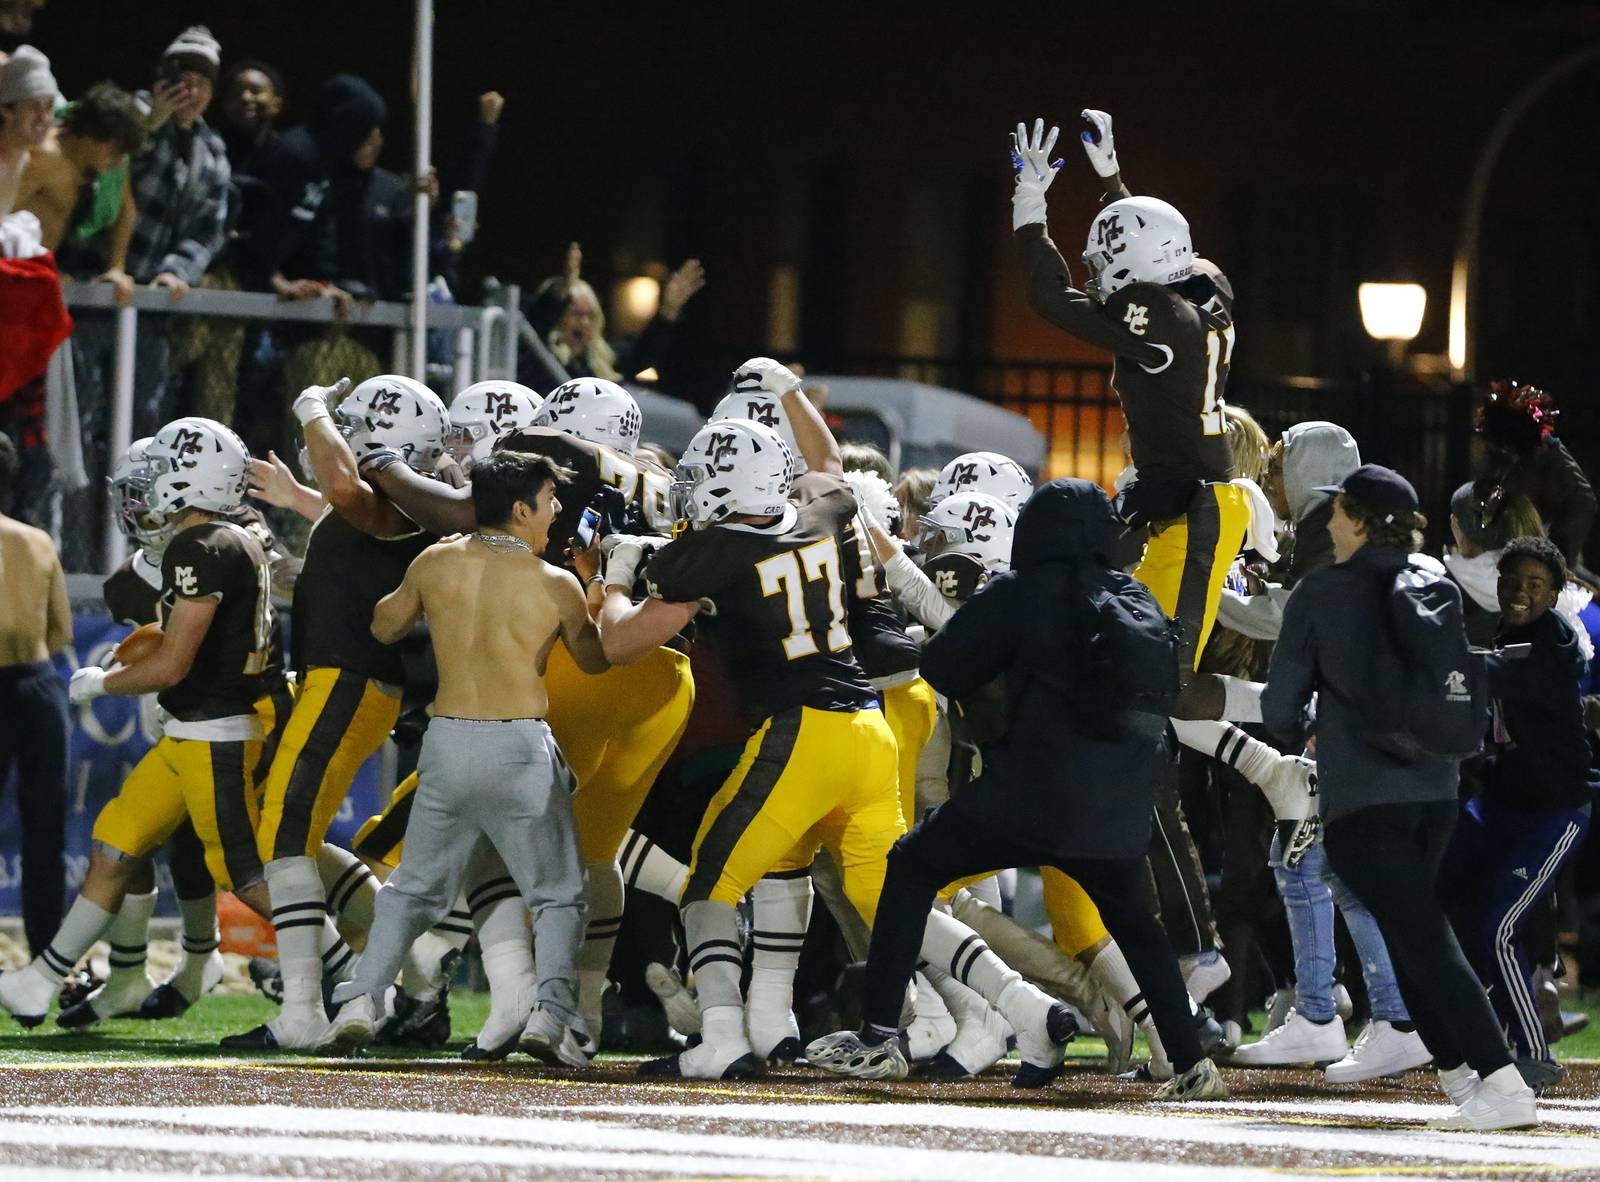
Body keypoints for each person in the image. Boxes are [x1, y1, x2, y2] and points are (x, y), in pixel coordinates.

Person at [809, 477, 1228, 1102]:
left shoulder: (1022, 592)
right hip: (1118, 799)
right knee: (1137, 926)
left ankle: (877, 1037)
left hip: (1030, 789)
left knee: (910, 866)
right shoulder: (1133, 596)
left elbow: (943, 666)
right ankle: (1192, 1063)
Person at [1262, 463, 1539, 1130]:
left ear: (1358, 520)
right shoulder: (1432, 580)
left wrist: (1317, 725)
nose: (1328, 520)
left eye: (1337, 510)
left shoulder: (1320, 592)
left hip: (1363, 799)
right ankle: (1461, 1080)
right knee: (1408, 931)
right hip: (1436, 791)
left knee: (1423, 937)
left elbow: (1278, 711)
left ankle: (1502, 1081)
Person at [327, 451, 606, 1062]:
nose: (556, 511)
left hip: (448, 742)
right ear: (519, 509)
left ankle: (360, 1001)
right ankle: (550, 1016)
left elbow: (384, 625)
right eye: (548, 500)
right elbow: (595, 659)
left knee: (410, 892)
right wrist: (598, 585)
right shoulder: (555, 582)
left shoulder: (436, 560)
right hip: (519, 747)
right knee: (557, 895)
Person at [0, 418, 278, 1027]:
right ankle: (115, 973)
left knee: (236, 861)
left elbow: (187, 653)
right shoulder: (138, 575)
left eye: (147, 486)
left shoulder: (226, 541)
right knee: (123, 839)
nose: (138, 502)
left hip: (232, 714)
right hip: (181, 721)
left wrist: (109, 680)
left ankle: (342, 963)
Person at [222, 375, 443, 1051]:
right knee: (292, 833)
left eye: (351, 428)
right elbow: (343, 519)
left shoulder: (401, 502)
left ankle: (305, 1010)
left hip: (350, 681)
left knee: (283, 834)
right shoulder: (388, 504)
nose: (335, 439)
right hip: (341, 680)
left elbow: (352, 495)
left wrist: (311, 405)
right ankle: (417, 964)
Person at [1439, 535, 1597, 1089]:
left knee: (1499, 927)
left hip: (1554, 811)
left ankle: (1533, 1052)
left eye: (1535, 585)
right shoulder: (1511, 631)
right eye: (1512, 582)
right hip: (1504, 803)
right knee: (1440, 896)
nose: (1520, 593)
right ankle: (1468, 1023)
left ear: (1554, 596)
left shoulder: (1549, 643)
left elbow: (1496, 674)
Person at [0, 431, 70, 959]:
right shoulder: (38, 542)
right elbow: (61, 632)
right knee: (44, 830)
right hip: (37, 687)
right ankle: (48, 959)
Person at [0, 44, 54, 216]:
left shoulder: (23, 159)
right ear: (7, 109)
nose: (43, 118)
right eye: (34, 107)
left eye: (49, 107)